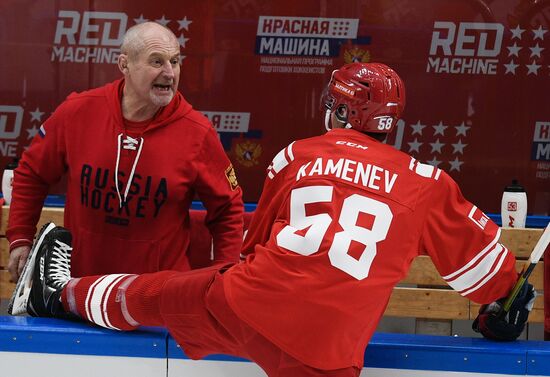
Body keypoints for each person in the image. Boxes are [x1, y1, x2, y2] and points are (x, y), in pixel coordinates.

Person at [10, 63, 535, 377]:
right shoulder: (427, 183)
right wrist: (502, 315)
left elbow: (251, 253)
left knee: (151, 296)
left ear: (345, 113)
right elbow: (495, 280)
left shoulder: (296, 156)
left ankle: (57, 294)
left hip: (249, 306)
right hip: (329, 351)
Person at [6, 22, 244, 282]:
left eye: (175, 62)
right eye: (156, 62)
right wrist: (20, 237)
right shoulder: (78, 111)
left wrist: (225, 273)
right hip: (80, 291)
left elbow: (228, 208)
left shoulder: (197, 132)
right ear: (124, 64)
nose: (169, 73)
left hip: (156, 301)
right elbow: (32, 173)